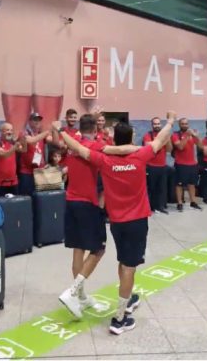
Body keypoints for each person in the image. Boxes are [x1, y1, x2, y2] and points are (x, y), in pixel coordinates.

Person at [55, 112, 174, 335]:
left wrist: (60, 129)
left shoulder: (104, 158)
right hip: (137, 221)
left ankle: (126, 298)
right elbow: (161, 139)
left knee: (123, 263)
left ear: (114, 139)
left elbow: (78, 148)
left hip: (117, 223)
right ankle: (119, 318)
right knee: (130, 267)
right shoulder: (141, 155)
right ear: (131, 139)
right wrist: (170, 122)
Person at [51, 114, 141, 321]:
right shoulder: (96, 146)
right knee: (98, 249)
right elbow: (119, 150)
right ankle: (73, 293)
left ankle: (81, 297)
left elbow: (59, 141)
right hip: (88, 204)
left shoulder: (72, 142)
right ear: (95, 128)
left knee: (78, 248)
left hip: (70, 201)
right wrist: (143, 149)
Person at [17, 112, 52, 196]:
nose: (37, 122)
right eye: (34, 120)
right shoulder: (24, 133)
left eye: (39, 120)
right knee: (26, 197)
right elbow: (31, 141)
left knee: (40, 197)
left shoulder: (41, 134)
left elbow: (53, 141)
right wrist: (46, 132)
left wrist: (54, 130)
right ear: (29, 122)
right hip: (26, 172)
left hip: (39, 171)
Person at [171, 118, 202, 212]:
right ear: (179, 125)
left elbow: (201, 146)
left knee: (192, 184)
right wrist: (186, 136)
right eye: (182, 124)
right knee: (179, 184)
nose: (185, 125)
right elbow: (180, 147)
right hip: (181, 163)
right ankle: (180, 203)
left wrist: (196, 136)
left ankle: (193, 202)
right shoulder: (175, 135)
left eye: (186, 123)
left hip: (192, 164)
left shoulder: (192, 134)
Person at [0, 123, 27, 198]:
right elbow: (4, 155)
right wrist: (15, 147)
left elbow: (24, 150)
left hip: (13, 183)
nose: (10, 132)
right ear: (1, 131)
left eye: (11, 130)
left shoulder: (13, 144)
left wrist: (24, 140)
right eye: (7, 130)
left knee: (14, 206)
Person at [143, 117, 170, 214]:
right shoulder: (148, 135)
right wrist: (163, 142)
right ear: (152, 125)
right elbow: (151, 147)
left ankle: (160, 206)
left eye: (158, 124)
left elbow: (169, 150)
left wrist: (168, 140)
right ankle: (150, 207)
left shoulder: (164, 136)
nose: (157, 125)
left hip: (162, 166)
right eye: (155, 124)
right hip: (151, 166)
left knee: (162, 188)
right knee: (151, 188)